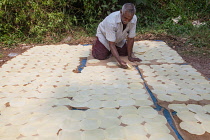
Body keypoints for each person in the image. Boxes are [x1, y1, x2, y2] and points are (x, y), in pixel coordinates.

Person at [92, 3, 142, 68]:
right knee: (100, 56)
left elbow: (131, 38)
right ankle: (96, 43)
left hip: (118, 38)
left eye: (129, 19)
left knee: (125, 53)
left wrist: (130, 56)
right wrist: (119, 61)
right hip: (104, 36)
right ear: (121, 12)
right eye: (125, 18)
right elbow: (111, 43)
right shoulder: (111, 21)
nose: (127, 21)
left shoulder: (134, 19)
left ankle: (112, 51)